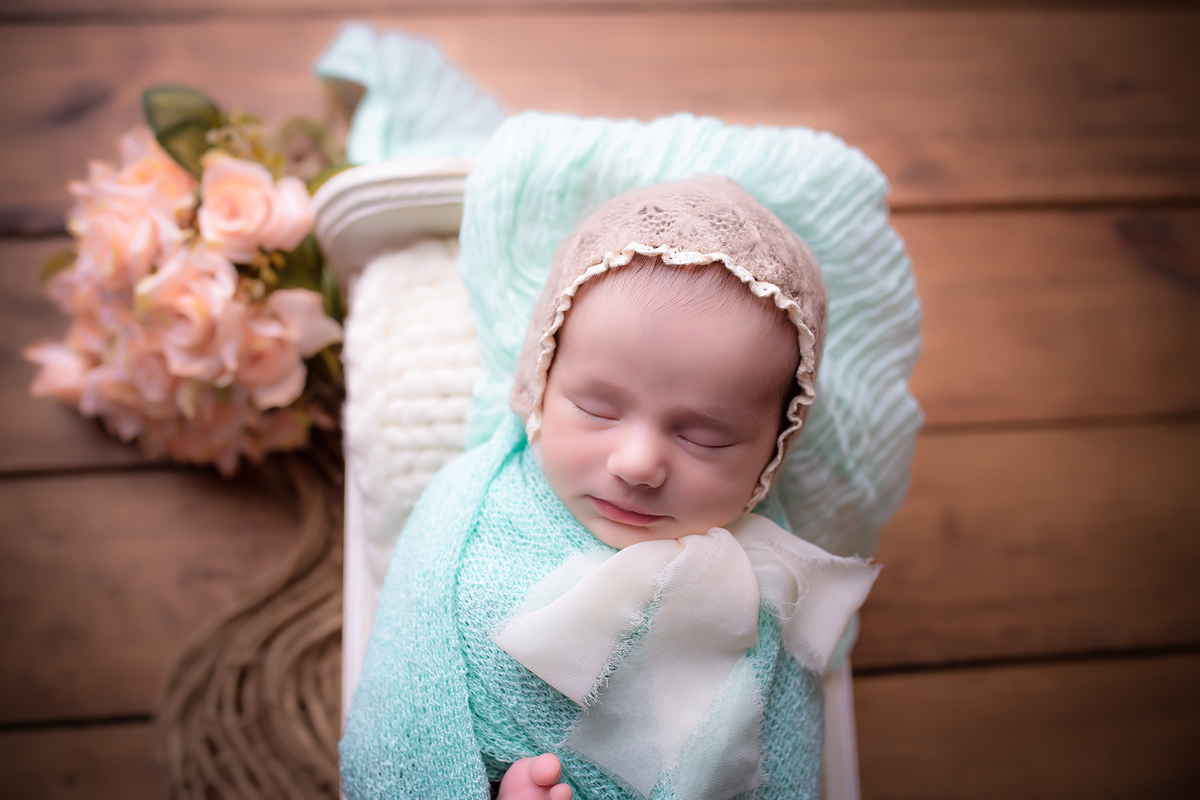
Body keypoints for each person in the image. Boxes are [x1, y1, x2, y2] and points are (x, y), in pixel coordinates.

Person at [340, 177, 880, 800]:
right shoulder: (463, 517)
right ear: (541, 379)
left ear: (773, 452)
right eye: (597, 409)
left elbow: (784, 772)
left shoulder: (770, 590)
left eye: (704, 437)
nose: (637, 463)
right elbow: (400, 727)